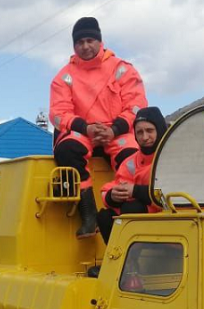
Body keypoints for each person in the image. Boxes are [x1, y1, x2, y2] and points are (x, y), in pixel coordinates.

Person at [49, 16, 148, 239]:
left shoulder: (123, 70)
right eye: (80, 42)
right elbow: (58, 113)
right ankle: (89, 214)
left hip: (118, 133)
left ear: (99, 41)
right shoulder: (63, 77)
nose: (85, 46)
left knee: (134, 158)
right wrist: (87, 128)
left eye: (90, 40)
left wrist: (114, 129)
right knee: (67, 150)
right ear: (74, 46)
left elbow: (136, 105)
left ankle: (125, 214)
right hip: (83, 133)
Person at [96, 106, 168, 243]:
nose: (145, 137)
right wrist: (112, 196)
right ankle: (125, 261)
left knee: (131, 209)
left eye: (149, 131)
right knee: (104, 217)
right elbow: (115, 185)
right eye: (139, 132)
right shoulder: (131, 162)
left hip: (169, 215)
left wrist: (135, 191)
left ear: (160, 130)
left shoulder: (172, 157)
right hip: (144, 213)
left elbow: (171, 193)